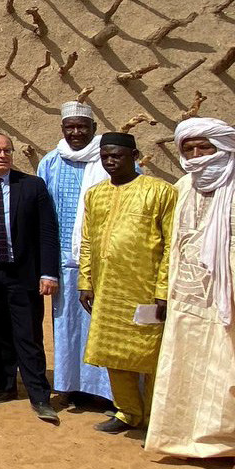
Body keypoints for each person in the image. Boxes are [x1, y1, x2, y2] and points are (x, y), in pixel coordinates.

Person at [147, 118, 235, 469]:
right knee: (190, 365)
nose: (196, 155)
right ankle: (193, 439)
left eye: (204, 147)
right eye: (188, 149)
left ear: (224, 147)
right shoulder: (184, 186)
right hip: (191, 296)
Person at [78, 131, 176, 434]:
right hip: (108, 290)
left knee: (151, 354)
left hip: (145, 289)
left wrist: (163, 290)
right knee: (114, 352)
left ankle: (156, 420)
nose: (110, 161)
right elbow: (87, 240)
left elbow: (172, 244)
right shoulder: (95, 194)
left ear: (134, 157)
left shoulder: (160, 191)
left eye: (116, 156)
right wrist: (85, 281)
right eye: (105, 156)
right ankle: (127, 412)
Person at [0, 133, 60, 424]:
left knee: (28, 334)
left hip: (23, 273)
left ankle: (39, 395)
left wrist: (48, 272)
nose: (1, 155)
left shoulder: (31, 186)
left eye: (7, 150)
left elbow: (47, 231)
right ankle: (5, 386)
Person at [36, 102, 112, 408]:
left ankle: (106, 390)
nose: (76, 132)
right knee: (67, 326)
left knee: (103, 324)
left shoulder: (111, 158)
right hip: (64, 261)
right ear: (63, 129)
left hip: (105, 260)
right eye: (71, 127)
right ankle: (72, 385)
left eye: (83, 127)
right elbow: (43, 214)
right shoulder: (50, 163)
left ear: (94, 129)